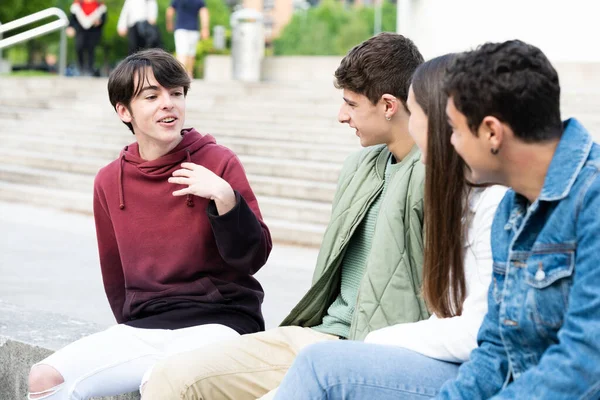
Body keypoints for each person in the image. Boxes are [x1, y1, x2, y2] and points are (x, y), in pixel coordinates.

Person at [142, 32, 428, 400]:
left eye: (351, 104)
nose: (342, 116)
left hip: (373, 355)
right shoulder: (359, 166)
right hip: (318, 335)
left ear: (388, 105)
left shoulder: (437, 176)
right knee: (171, 376)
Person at [27, 48, 272, 400]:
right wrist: (125, 331)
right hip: (145, 325)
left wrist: (225, 199)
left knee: (162, 381)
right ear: (124, 111)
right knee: (44, 378)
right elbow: (114, 275)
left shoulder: (218, 162)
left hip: (222, 322)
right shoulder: (109, 181)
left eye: (176, 93)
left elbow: (254, 258)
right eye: (152, 96)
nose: (168, 104)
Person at [271, 54, 506, 400]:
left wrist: (376, 341)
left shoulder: (495, 202)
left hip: (476, 370)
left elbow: (479, 334)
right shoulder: (460, 197)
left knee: (319, 368)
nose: (410, 129)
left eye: (418, 117)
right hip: (440, 355)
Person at [435, 39, 600, 399]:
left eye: (456, 129)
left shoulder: (593, 201)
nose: (451, 143)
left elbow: (586, 363)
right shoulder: (510, 210)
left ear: (492, 132)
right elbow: (495, 350)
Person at [166, 0, 210, 78]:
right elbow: (204, 13)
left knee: (181, 51)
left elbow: (170, 12)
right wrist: (205, 28)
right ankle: (189, 74)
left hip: (180, 29)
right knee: (191, 52)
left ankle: (180, 74)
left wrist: (169, 24)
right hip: (193, 29)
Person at [65, 0, 107, 76]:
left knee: (91, 49)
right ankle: (80, 68)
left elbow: (104, 19)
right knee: (79, 47)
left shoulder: (99, 6)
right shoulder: (77, 5)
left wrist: (99, 21)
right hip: (80, 30)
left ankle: (89, 69)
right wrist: (70, 27)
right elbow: (72, 19)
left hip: (93, 31)